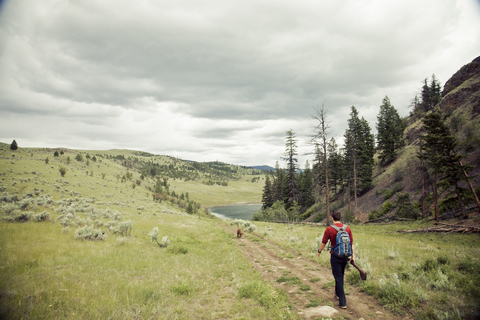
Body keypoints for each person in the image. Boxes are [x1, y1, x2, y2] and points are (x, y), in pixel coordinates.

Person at [316, 210, 354, 309]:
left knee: (338, 277)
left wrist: (319, 251)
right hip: (345, 256)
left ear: (332, 218)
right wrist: (352, 256)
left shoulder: (329, 229)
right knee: (340, 275)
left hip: (335, 256)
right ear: (340, 218)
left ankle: (343, 302)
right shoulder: (347, 228)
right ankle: (337, 293)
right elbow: (351, 243)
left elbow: (324, 242)